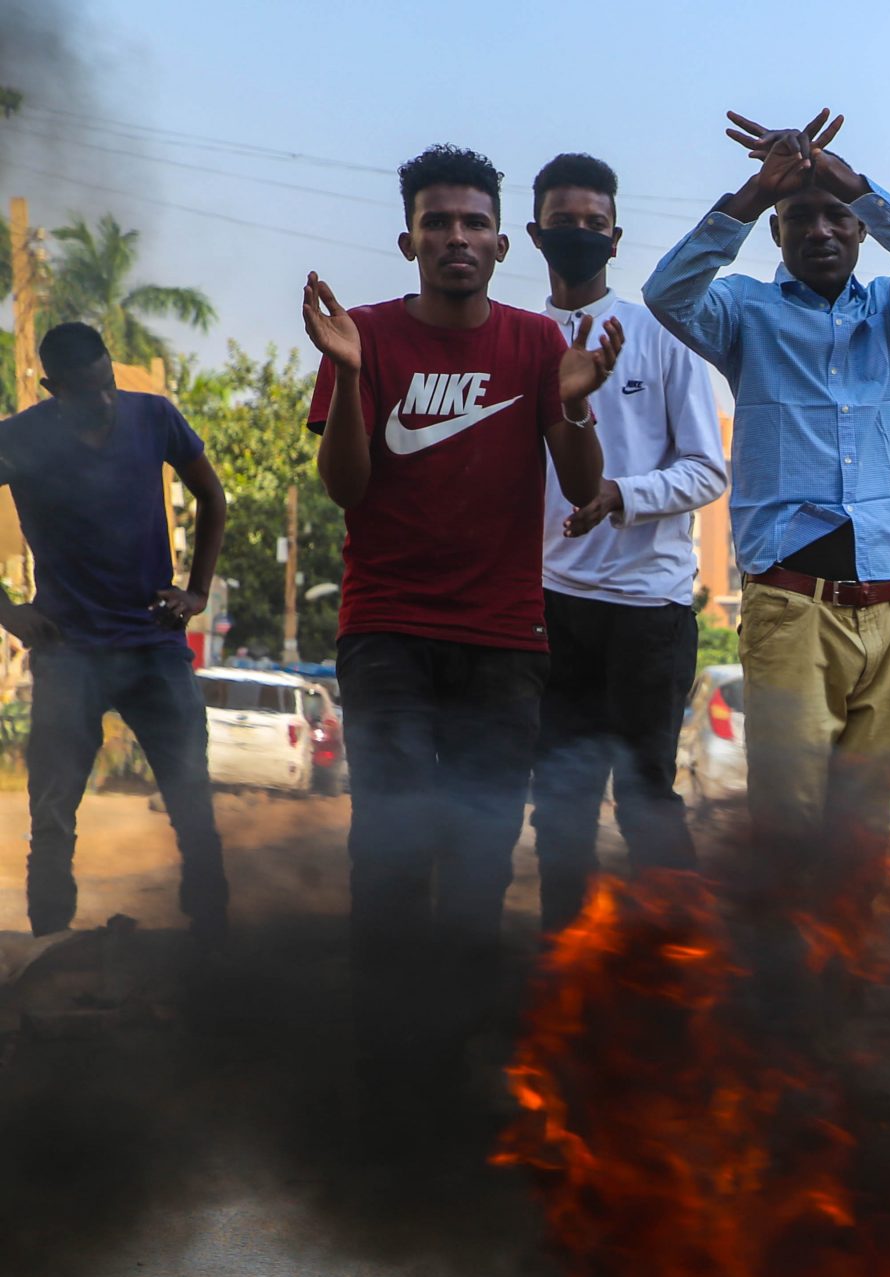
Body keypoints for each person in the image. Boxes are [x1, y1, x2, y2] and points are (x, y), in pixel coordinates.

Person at [303, 144, 625, 1037]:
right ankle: (385, 1054)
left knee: (483, 858)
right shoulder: (360, 334)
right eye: (436, 222)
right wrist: (356, 376)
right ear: (408, 240)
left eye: (474, 222)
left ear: (500, 243)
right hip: (388, 632)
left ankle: (466, 1049)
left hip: (505, 638)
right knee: (393, 848)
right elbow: (347, 490)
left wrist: (573, 404)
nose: (456, 237)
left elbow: (581, 479)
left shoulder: (534, 341)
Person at [644, 108, 890, 853]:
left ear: (860, 231)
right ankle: (789, 974)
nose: (820, 230)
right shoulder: (743, 311)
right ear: (777, 235)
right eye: (799, 217)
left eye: (836, 217)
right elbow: (668, 293)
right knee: (789, 834)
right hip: (792, 605)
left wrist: (856, 184)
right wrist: (755, 194)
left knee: (863, 840)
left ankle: (848, 974)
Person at [520, 151, 729, 932]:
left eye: (593, 225)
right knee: (561, 806)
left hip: (649, 608)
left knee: (648, 797)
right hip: (548, 607)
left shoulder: (661, 334)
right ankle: (562, 968)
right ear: (534, 235)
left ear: (617, 238)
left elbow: (709, 470)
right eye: (563, 223)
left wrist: (620, 498)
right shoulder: (519, 341)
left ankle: (675, 970)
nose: (578, 235)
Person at [0, 322, 229, 942]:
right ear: (52, 387)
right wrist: (6, 610)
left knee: (192, 804)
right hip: (67, 650)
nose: (104, 400)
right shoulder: (19, 438)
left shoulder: (153, 416)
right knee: (51, 815)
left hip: (154, 642)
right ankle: (47, 946)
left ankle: (214, 941)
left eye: (108, 384)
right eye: (86, 391)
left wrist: (198, 591)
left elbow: (212, 496)